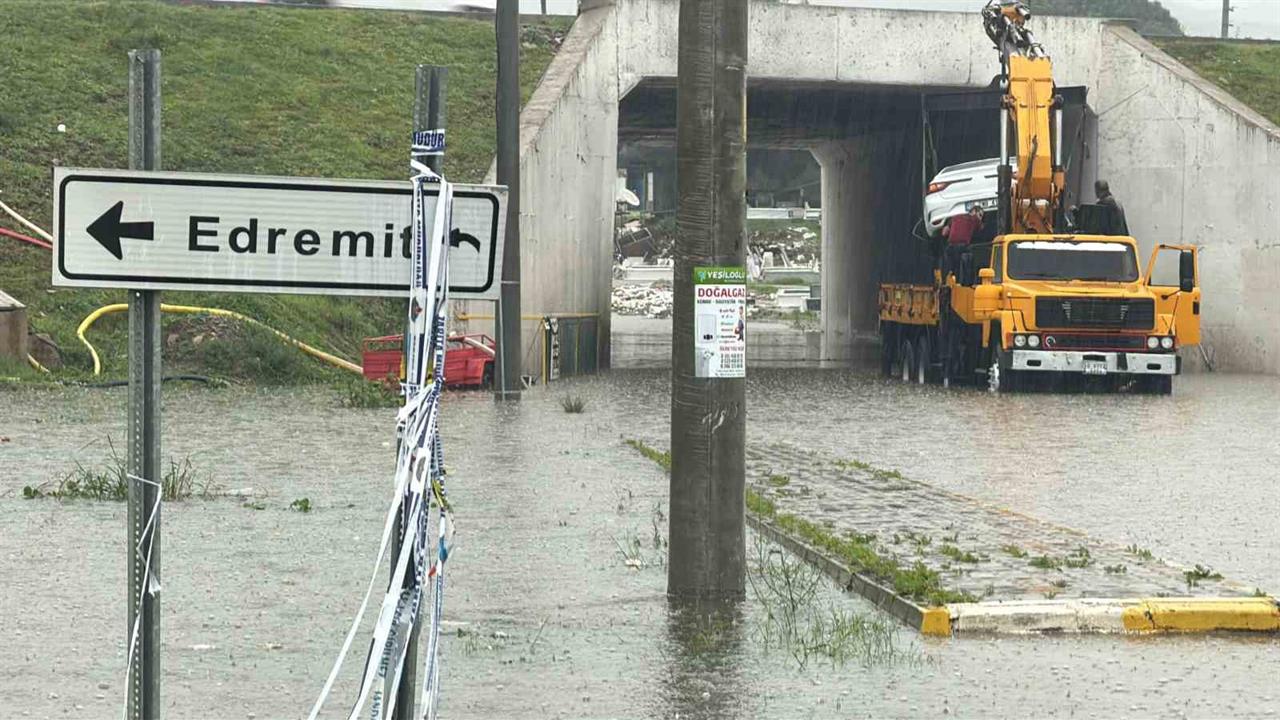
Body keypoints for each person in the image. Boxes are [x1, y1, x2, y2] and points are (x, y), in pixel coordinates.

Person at [942, 204, 984, 282]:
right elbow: (982, 228)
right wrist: (979, 218)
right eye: (980, 214)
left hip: (950, 246)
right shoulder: (974, 219)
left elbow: (944, 233)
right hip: (962, 246)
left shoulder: (956, 217)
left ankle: (947, 279)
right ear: (975, 212)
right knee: (971, 258)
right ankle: (965, 281)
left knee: (950, 265)